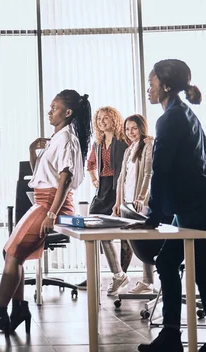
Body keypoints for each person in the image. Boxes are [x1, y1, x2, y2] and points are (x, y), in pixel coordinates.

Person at [127, 59, 206, 352]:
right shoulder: (181, 113)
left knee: (200, 270)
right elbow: (205, 149)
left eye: (152, 82)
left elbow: (160, 170)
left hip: (195, 201)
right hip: (196, 198)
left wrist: (154, 215)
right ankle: (176, 336)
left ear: (167, 85)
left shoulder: (170, 118)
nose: (149, 88)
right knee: (171, 262)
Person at [0, 89, 92, 338]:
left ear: (68, 112)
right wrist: (32, 152)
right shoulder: (57, 137)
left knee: (13, 253)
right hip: (42, 200)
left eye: (55, 107)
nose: (50, 111)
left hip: (52, 204)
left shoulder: (68, 138)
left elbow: (65, 178)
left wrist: (52, 213)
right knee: (10, 252)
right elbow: (40, 176)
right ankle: (17, 310)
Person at [78, 106, 129, 295]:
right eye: (99, 119)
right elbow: (90, 164)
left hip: (118, 188)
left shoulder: (122, 140)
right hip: (103, 190)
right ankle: (111, 274)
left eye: (106, 118)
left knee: (117, 234)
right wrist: (93, 179)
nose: (101, 121)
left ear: (114, 119)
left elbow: (130, 165)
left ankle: (120, 276)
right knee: (94, 229)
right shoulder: (98, 142)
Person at [112, 114, 155, 294]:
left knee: (144, 240)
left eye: (134, 128)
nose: (130, 132)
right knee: (132, 240)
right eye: (127, 129)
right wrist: (118, 202)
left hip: (139, 202)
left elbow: (147, 173)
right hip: (127, 201)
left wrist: (141, 196)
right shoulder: (129, 150)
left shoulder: (147, 146)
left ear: (142, 128)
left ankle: (148, 281)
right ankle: (136, 278)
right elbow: (122, 178)